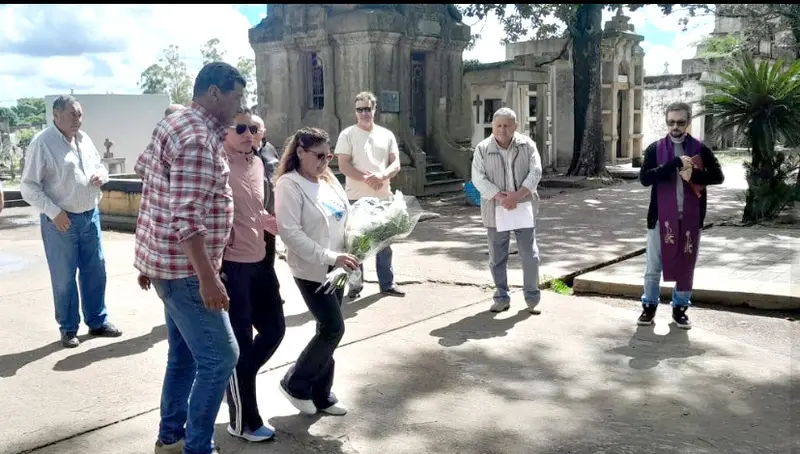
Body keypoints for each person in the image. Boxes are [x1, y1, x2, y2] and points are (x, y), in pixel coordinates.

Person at [134, 62, 245, 454]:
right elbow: (187, 217)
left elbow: (145, 171)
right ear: (214, 92)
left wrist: (150, 256)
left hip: (167, 264)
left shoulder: (176, 123)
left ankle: (171, 433)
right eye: (235, 96)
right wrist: (208, 277)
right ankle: (198, 446)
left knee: (183, 355)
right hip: (186, 271)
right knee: (221, 358)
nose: (239, 106)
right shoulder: (197, 138)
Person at [20, 95, 122, 348]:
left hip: (90, 215)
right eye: (72, 114)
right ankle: (68, 328)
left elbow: (99, 165)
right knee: (64, 277)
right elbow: (28, 186)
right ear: (56, 115)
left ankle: (97, 321)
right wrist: (53, 212)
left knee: (95, 271)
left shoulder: (84, 139)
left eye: (79, 114)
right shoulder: (42, 144)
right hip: (60, 220)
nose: (78, 119)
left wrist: (101, 174)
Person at [275, 126, 358, 417]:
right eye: (319, 155)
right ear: (299, 152)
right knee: (334, 328)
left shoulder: (328, 179)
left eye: (329, 155)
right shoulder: (289, 184)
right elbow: (290, 233)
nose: (326, 161)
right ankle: (295, 383)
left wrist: (360, 242)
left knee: (328, 331)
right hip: (313, 269)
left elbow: (343, 217)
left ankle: (322, 394)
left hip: (340, 267)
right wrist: (329, 256)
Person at [220, 107, 285, 443]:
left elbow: (253, 206)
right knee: (240, 344)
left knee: (275, 329)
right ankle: (243, 421)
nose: (248, 134)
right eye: (240, 128)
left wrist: (265, 221)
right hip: (232, 268)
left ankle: (237, 376)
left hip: (261, 262)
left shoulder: (257, 162)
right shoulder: (215, 164)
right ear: (224, 132)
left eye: (252, 129)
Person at [637, 101, 724, 329]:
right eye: (671, 122)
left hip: (690, 217)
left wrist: (693, 173)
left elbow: (718, 177)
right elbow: (645, 178)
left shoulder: (700, 149)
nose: (675, 126)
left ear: (688, 123)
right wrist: (673, 164)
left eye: (680, 122)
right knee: (653, 265)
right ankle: (649, 307)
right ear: (667, 122)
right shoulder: (655, 149)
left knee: (686, 263)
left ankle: (680, 309)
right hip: (660, 218)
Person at [470, 107, 543, 314]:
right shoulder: (483, 148)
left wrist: (517, 195)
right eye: (498, 125)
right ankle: (501, 297)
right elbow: (478, 177)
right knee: (497, 257)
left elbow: (536, 171)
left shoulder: (527, 145)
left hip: (523, 206)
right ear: (492, 127)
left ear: (515, 127)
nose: (502, 130)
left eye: (506, 125)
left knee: (529, 255)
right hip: (495, 209)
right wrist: (501, 197)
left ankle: (532, 297)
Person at [334, 91, 404, 298]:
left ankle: (387, 284)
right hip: (356, 198)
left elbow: (396, 163)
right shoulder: (347, 135)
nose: (364, 113)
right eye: (360, 109)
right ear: (355, 112)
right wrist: (366, 179)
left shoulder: (386, 134)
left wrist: (382, 175)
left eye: (368, 108)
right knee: (357, 245)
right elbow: (344, 166)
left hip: (383, 197)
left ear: (375, 109)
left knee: (384, 245)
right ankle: (355, 286)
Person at [251, 114, 285, 305]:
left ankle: (273, 295)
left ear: (264, 131)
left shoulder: (270, 149)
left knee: (268, 260)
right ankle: (264, 297)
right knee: (254, 261)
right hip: (252, 217)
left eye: (256, 129)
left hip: (270, 216)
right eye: (249, 128)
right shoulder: (243, 150)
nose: (252, 133)